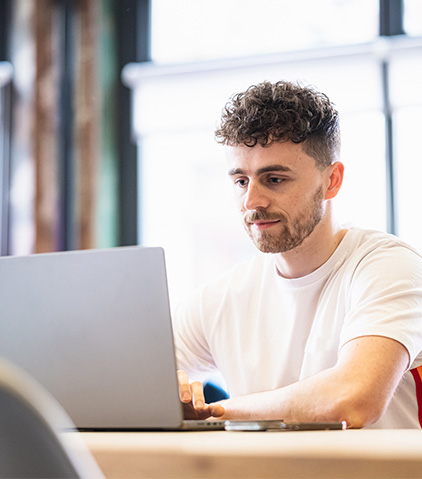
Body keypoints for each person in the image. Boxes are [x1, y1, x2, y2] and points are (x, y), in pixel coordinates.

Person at [173, 80, 422, 429]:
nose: (251, 202)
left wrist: (217, 412)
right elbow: (129, 382)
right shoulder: (222, 298)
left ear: (332, 180)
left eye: (274, 179)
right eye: (241, 181)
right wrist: (172, 395)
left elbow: (352, 399)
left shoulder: (388, 267)